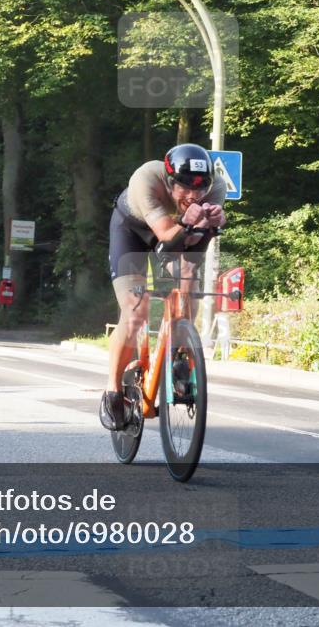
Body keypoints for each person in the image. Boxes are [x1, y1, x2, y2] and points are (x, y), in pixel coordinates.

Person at [102, 143, 226, 430]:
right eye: (184, 188)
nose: (193, 195)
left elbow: (192, 248)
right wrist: (187, 220)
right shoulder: (147, 179)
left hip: (176, 234)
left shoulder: (216, 187)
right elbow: (164, 235)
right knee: (135, 314)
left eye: (200, 188)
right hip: (132, 232)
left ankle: (179, 356)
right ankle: (112, 391)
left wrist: (212, 225)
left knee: (187, 279)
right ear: (169, 182)